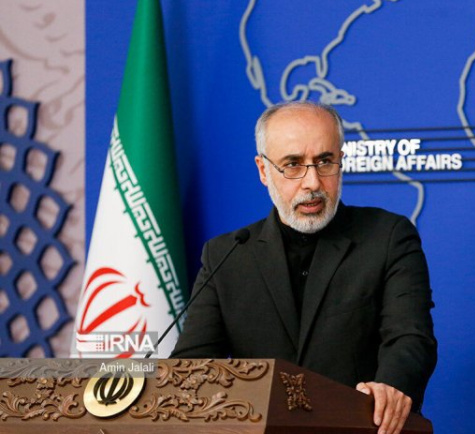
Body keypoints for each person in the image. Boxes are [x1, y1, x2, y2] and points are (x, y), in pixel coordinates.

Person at [172, 101, 437, 434]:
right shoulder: (226, 255)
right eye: (293, 165)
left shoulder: (387, 237)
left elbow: (410, 338)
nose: (312, 182)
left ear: (341, 162)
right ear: (263, 170)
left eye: (325, 161)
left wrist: (390, 388)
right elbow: (189, 369)